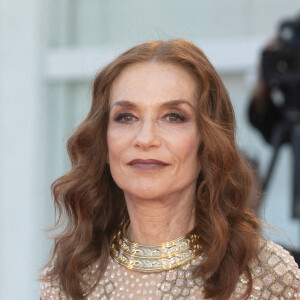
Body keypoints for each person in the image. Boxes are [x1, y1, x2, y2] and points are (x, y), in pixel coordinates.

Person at [40, 39, 300, 300]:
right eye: (126, 116)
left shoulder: (266, 275)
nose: (145, 138)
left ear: (206, 142)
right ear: (104, 143)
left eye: (173, 116)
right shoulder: (70, 279)